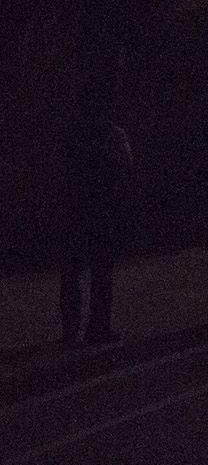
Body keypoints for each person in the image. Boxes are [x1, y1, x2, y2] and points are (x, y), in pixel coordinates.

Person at [59, 84, 136, 347]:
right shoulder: (113, 134)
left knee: (73, 272)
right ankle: (97, 328)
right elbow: (126, 167)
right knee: (100, 272)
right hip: (101, 211)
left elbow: (62, 170)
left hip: (77, 209)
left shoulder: (73, 133)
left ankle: (71, 330)